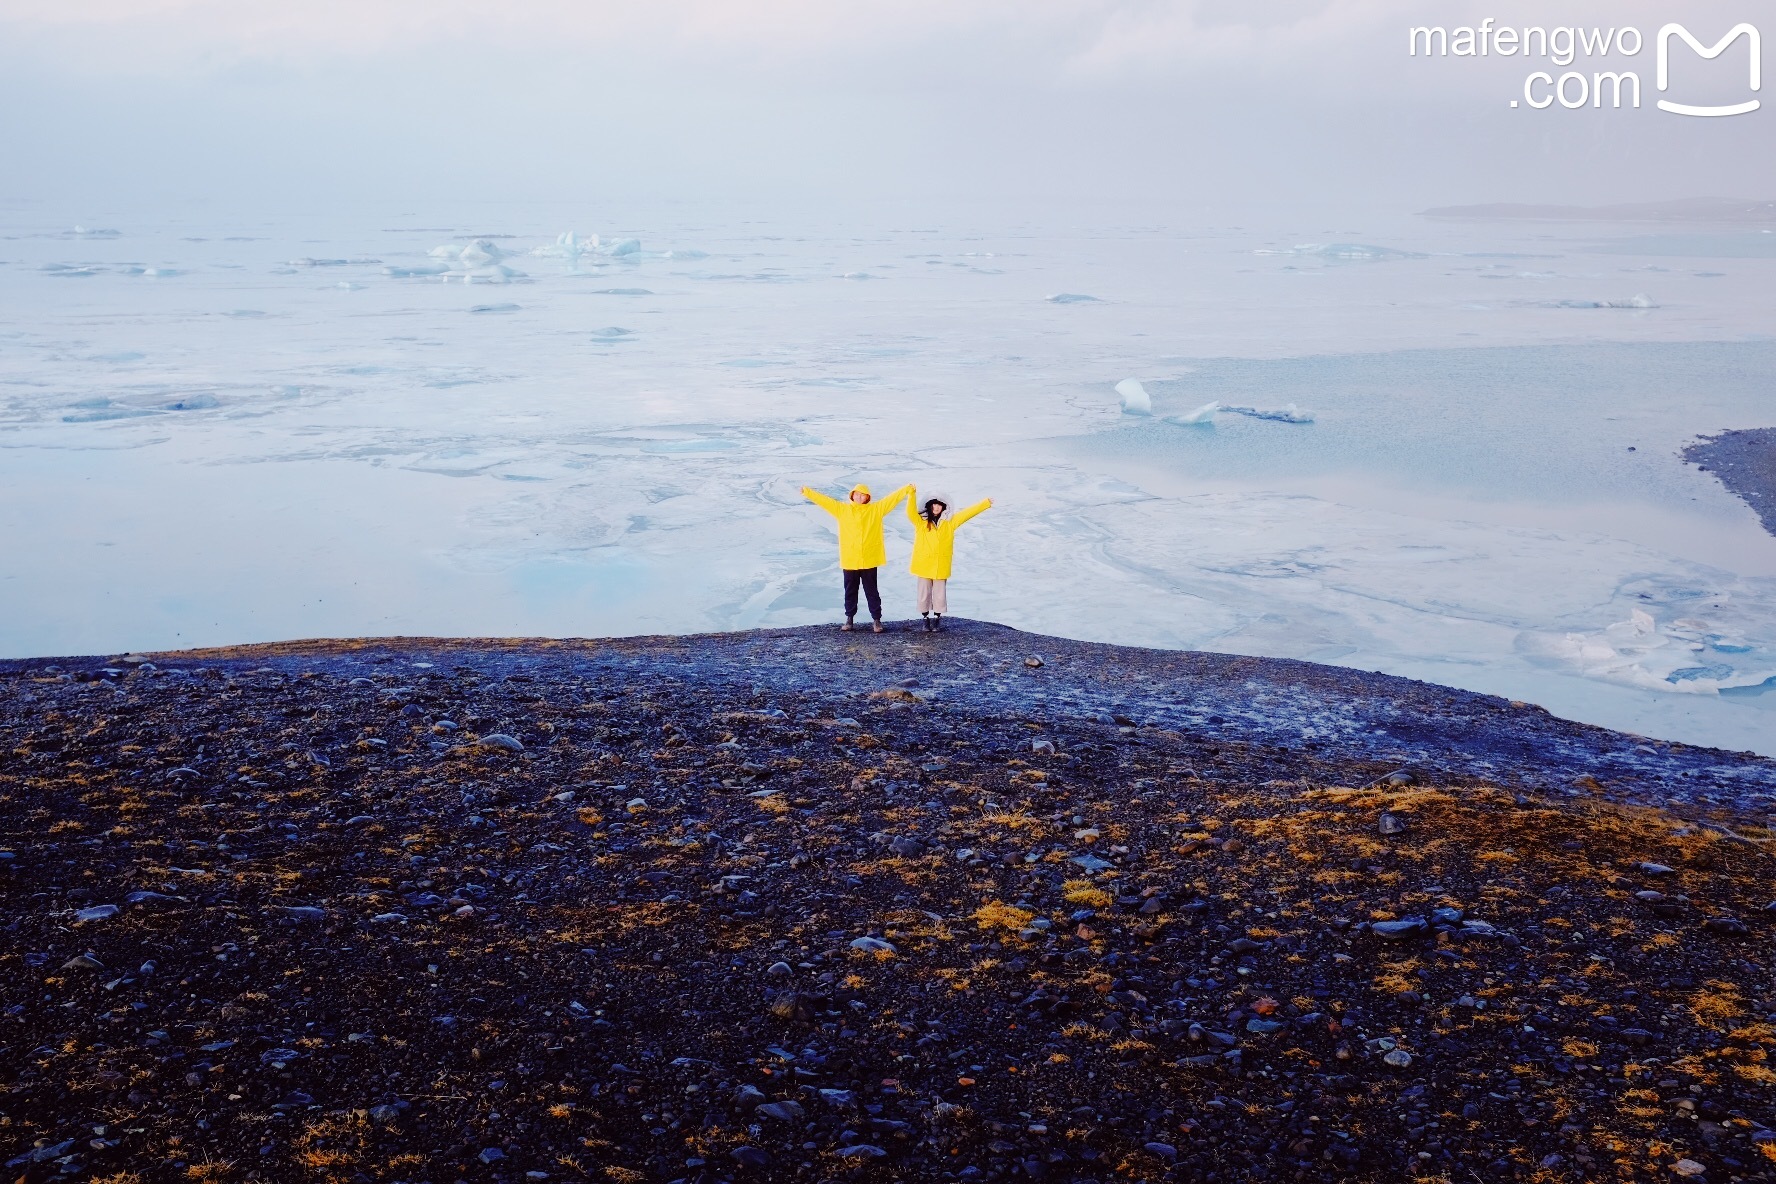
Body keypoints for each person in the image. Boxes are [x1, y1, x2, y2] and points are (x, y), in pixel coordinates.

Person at [801, 481, 912, 632]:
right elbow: (825, 501)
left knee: (871, 590)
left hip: (869, 558)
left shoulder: (876, 509)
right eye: (857, 494)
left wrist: (906, 489)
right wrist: (807, 492)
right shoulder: (842, 509)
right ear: (852, 496)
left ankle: (877, 620)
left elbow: (891, 499)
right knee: (850, 590)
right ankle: (849, 619)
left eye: (863, 495)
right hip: (850, 559)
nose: (860, 497)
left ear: (867, 497)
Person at [906, 489, 991, 631]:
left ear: (944, 507)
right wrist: (911, 494)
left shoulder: (950, 523)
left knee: (939, 594)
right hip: (923, 564)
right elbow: (910, 512)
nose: (936, 507)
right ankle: (925, 619)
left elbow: (967, 513)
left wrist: (985, 503)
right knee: (923, 594)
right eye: (934, 505)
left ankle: (937, 619)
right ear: (929, 506)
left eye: (939, 505)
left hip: (941, 564)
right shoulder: (921, 522)